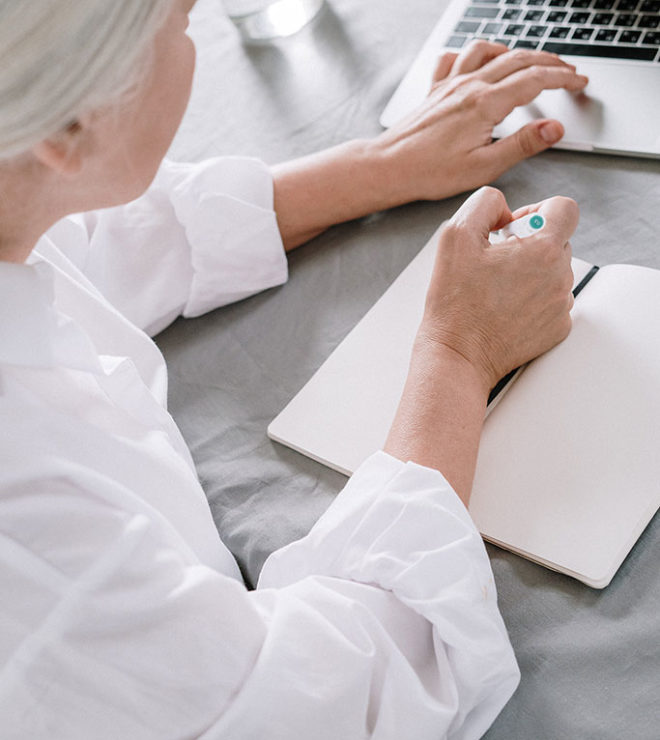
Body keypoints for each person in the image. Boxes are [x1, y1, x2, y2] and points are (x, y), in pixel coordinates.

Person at [0, 1, 583, 738]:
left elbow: (76, 232)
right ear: (65, 122)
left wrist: (382, 164)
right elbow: (338, 698)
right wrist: (462, 352)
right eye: (180, 23)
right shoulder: (29, 535)